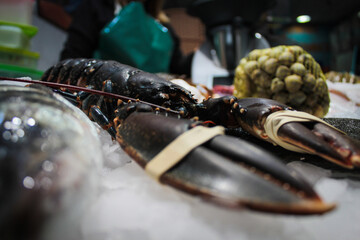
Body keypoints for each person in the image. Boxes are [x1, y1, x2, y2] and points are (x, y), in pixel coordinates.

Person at [60, 0, 194, 76]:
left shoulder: (165, 26)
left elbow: (178, 69)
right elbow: (71, 59)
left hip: (157, 104)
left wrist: (199, 54)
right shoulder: (97, 7)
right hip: (104, 98)